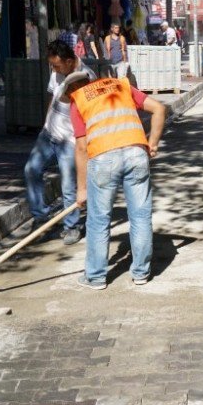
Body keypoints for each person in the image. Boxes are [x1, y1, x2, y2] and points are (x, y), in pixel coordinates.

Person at [69, 68, 167, 289]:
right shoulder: (120, 85)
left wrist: (81, 189)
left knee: (98, 220)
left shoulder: (77, 100)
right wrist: (153, 143)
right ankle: (141, 273)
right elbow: (159, 108)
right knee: (141, 216)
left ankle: (95, 277)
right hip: (136, 153)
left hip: (104, 158)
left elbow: (82, 148)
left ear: (71, 89)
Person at [20, 40, 97, 244]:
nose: (53, 69)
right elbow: (52, 98)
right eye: (52, 65)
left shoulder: (87, 78)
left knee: (68, 184)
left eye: (56, 65)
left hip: (70, 141)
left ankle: (72, 226)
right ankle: (40, 217)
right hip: (48, 135)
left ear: (70, 61)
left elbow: (91, 115)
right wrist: (46, 124)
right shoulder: (57, 73)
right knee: (31, 170)